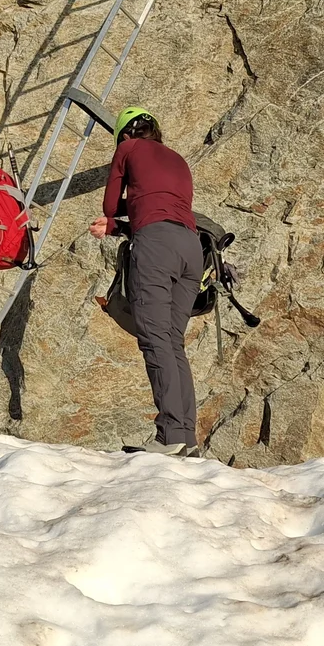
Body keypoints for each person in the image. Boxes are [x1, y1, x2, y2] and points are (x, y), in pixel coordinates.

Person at [90, 107, 203, 456]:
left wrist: (112, 222)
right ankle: (186, 437)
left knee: (154, 338)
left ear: (124, 134)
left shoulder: (128, 149)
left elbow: (111, 205)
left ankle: (169, 435)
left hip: (156, 248)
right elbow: (163, 207)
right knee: (172, 341)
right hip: (191, 250)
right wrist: (122, 226)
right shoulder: (178, 160)